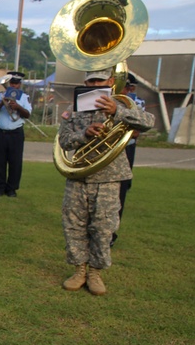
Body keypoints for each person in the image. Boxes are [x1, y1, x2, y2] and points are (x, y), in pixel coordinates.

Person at [59, 68, 154, 295]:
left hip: (110, 177)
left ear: (110, 81)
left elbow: (148, 122)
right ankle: (79, 269)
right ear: (85, 82)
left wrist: (118, 112)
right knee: (74, 224)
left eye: (99, 81)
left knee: (103, 227)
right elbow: (64, 140)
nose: (94, 85)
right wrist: (84, 134)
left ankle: (95, 273)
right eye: (90, 81)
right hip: (80, 175)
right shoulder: (75, 108)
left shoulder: (123, 104)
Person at [112, 73, 144, 247]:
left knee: (120, 191)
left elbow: (138, 130)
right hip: (104, 149)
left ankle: (111, 232)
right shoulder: (102, 100)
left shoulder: (134, 104)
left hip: (125, 148)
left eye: (122, 86)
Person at [0, 70, 32, 197]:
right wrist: (2, 103)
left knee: (15, 162)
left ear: (19, 84)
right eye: (11, 83)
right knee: (0, 161)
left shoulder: (24, 97)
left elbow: (27, 115)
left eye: (16, 83)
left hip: (16, 132)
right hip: (1, 132)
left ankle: (12, 188)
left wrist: (18, 107)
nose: (13, 86)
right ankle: (0, 187)